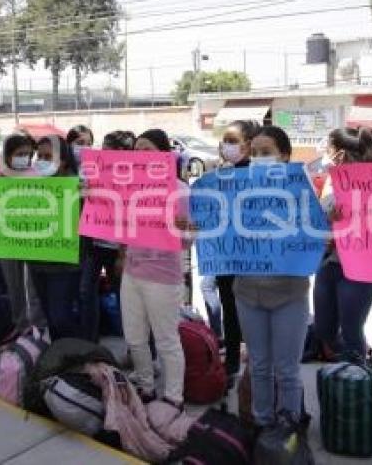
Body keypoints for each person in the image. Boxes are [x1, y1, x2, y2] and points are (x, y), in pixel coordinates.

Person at [231, 125, 310, 428]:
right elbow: (220, 229)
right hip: (248, 294)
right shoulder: (237, 190)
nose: (259, 159)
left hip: (289, 295)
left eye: (267, 153)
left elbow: (316, 234)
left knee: (287, 370)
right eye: (255, 154)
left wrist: (330, 225)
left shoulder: (301, 193)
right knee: (259, 366)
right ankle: (262, 425)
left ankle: (289, 427)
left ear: (285, 156)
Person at [121, 128, 191, 407]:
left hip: (163, 277)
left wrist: (184, 229)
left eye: (147, 149)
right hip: (132, 272)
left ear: (164, 154)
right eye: (137, 150)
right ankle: (146, 386)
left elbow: (189, 240)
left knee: (166, 340)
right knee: (135, 337)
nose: (140, 155)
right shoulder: (127, 187)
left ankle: (174, 398)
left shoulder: (181, 190)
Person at [313, 127, 372, 360]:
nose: (324, 153)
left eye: (328, 148)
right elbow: (322, 220)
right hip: (330, 262)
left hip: (361, 269)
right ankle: (350, 360)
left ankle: (358, 374)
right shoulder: (332, 179)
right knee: (324, 328)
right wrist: (329, 223)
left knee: (352, 330)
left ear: (340, 154)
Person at [201, 119, 261, 378]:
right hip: (225, 256)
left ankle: (248, 364)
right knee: (230, 310)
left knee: (247, 313)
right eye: (224, 140)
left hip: (252, 260)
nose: (225, 145)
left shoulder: (260, 176)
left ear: (249, 145)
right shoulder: (220, 177)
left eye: (232, 140)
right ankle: (234, 362)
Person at [78, 130, 133, 341]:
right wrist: (83, 192)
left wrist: (123, 252)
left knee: (123, 296)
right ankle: (90, 341)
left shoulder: (134, 176)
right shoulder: (93, 171)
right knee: (85, 291)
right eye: (105, 149)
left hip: (119, 247)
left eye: (111, 150)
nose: (106, 153)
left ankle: (133, 344)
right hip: (94, 243)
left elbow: (132, 217)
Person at [28, 136, 83, 340]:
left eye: (48, 157)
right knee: (51, 317)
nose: (41, 160)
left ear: (64, 161)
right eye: (39, 156)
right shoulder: (29, 185)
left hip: (65, 265)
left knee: (61, 317)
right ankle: (60, 357)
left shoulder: (77, 187)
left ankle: (74, 356)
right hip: (37, 262)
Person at [0, 132, 47, 332]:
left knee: (33, 286)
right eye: (20, 154)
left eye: (28, 153)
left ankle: (38, 326)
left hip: (32, 239)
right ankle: (19, 324)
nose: (24, 158)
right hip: (7, 240)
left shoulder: (38, 175)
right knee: (14, 285)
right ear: (8, 155)